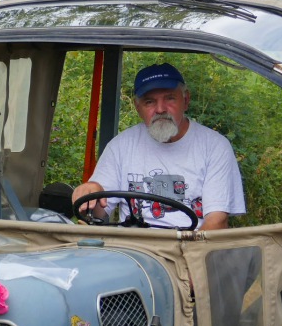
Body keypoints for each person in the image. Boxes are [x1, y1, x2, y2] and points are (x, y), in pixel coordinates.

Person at [72, 63, 245, 230]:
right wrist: (91, 192)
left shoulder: (214, 146)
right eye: (150, 102)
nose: (161, 109)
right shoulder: (121, 146)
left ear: (186, 100)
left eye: (169, 98)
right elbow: (98, 214)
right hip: (133, 250)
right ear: (138, 107)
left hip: (192, 249)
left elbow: (216, 222)